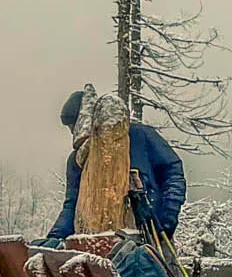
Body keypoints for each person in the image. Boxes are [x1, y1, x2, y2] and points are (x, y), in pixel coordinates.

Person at [47, 87, 186, 241]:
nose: (72, 132)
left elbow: (173, 173)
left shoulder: (140, 136)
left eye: (73, 125)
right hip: (97, 240)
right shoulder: (77, 160)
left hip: (151, 233)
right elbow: (71, 205)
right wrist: (54, 237)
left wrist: (168, 214)